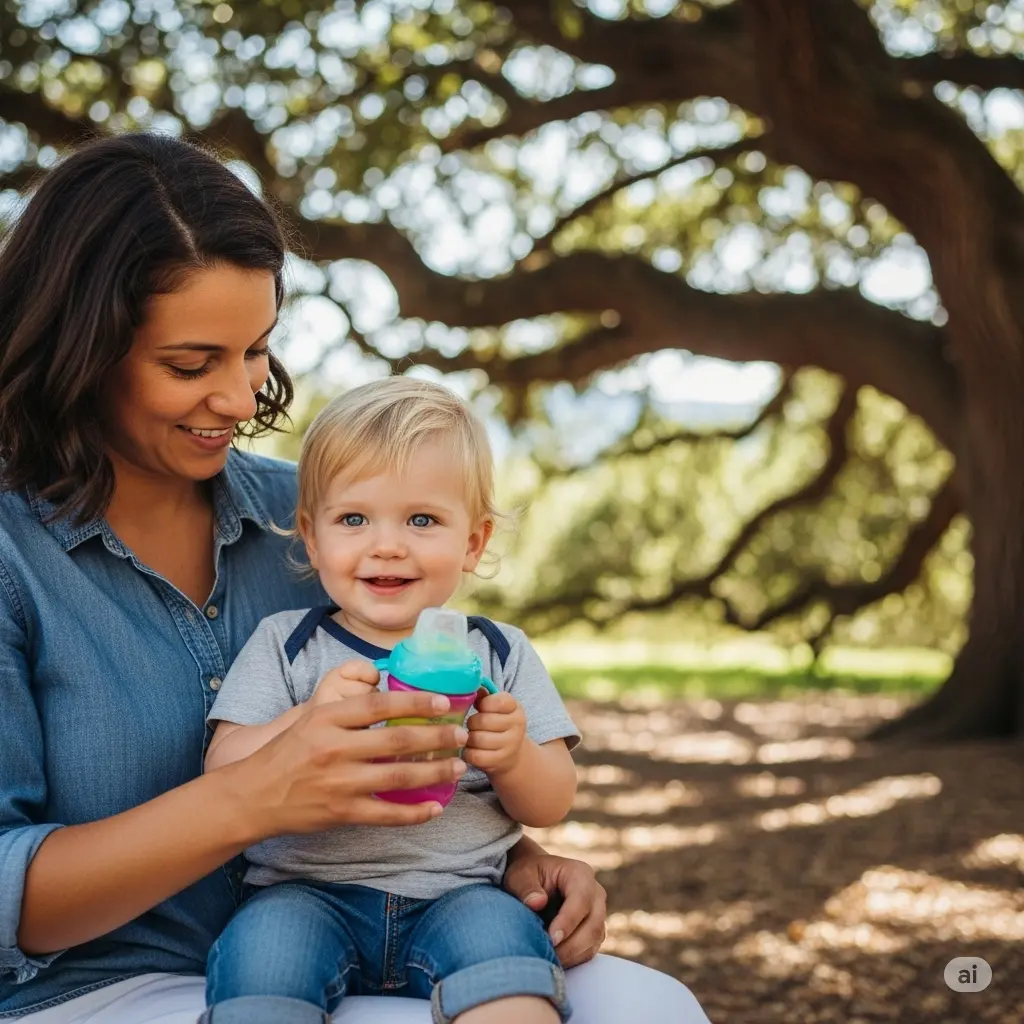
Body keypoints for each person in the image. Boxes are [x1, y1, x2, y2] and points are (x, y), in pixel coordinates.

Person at [0, 133, 713, 1024]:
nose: (240, 399)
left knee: (655, 1007)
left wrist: (507, 862)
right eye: (190, 365)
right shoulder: (15, 554)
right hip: (99, 985)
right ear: (79, 350)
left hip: (381, 938)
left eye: (256, 350)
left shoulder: (316, 517)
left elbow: (426, 753)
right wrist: (256, 792)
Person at [202, 377, 581, 1024]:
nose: (387, 545)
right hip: (302, 895)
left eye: (422, 520)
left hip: (462, 896)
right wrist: (305, 721)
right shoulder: (288, 645)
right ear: (312, 536)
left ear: (473, 542)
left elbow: (553, 802)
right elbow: (223, 768)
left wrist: (515, 755)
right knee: (261, 966)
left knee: (509, 966)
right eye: (353, 519)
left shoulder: (499, 653)